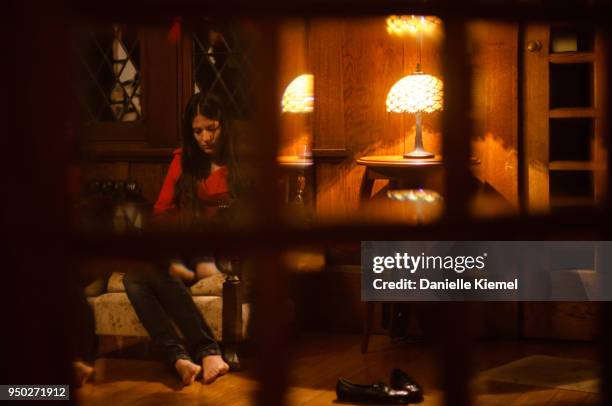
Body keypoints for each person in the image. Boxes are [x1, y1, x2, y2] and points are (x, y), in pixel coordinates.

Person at [123, 92, 233, 385]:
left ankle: (208, 350)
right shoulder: (183, 159)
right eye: (198, 131)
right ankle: (180, 358)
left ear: (224, 126)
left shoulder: (237, 163)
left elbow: (238, 211)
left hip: (219, 245)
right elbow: (161, 210)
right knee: (134, 278)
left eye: (212, 128)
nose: (206, 137)